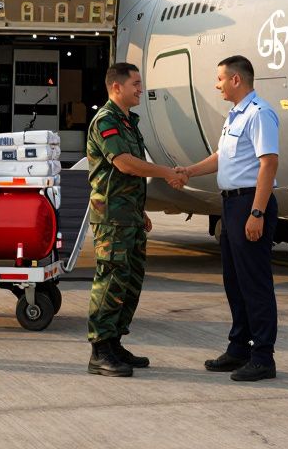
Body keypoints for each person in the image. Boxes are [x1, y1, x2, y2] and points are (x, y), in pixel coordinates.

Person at [178, 55, 280, 381]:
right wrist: (189, 171)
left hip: (251, 203)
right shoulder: (235, 116)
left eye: (220, 78)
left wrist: (257, 213)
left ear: (236, 80)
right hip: (232, 206)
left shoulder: (260, 114)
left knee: (255, 284)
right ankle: (239, 349)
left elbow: (269, 164)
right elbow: (223, 157)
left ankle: (263, 357)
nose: (216, 84)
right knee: (234, 282)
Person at [85, 62, 188, 377]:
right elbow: (126, 164)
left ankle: (115, 344)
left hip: (127, 214)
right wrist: (167, 172)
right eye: (136, 84)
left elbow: (128, 176)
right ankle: (99, 350)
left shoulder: (129, 122)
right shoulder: (106, 121)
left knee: (129, 282)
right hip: (112, 219)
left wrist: (139, 208)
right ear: (117, 87)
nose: (140, 89)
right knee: (111, 279)